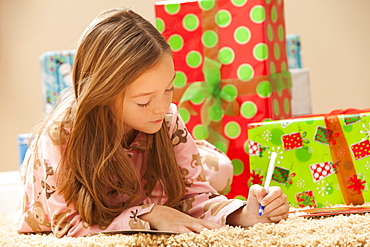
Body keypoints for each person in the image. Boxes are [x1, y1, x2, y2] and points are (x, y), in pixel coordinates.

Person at [14, 8, 289, 238]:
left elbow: (196, 198)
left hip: (144, 187)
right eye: (144, 101)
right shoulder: (61, 135)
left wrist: (245, 213)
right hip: (83, 189)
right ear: (103, 95)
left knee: (219, 171)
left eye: (168, 89)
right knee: (209, 176)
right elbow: (68, 225)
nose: (162, 108)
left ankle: (204, 156)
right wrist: (151, 213)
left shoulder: (167, 119)